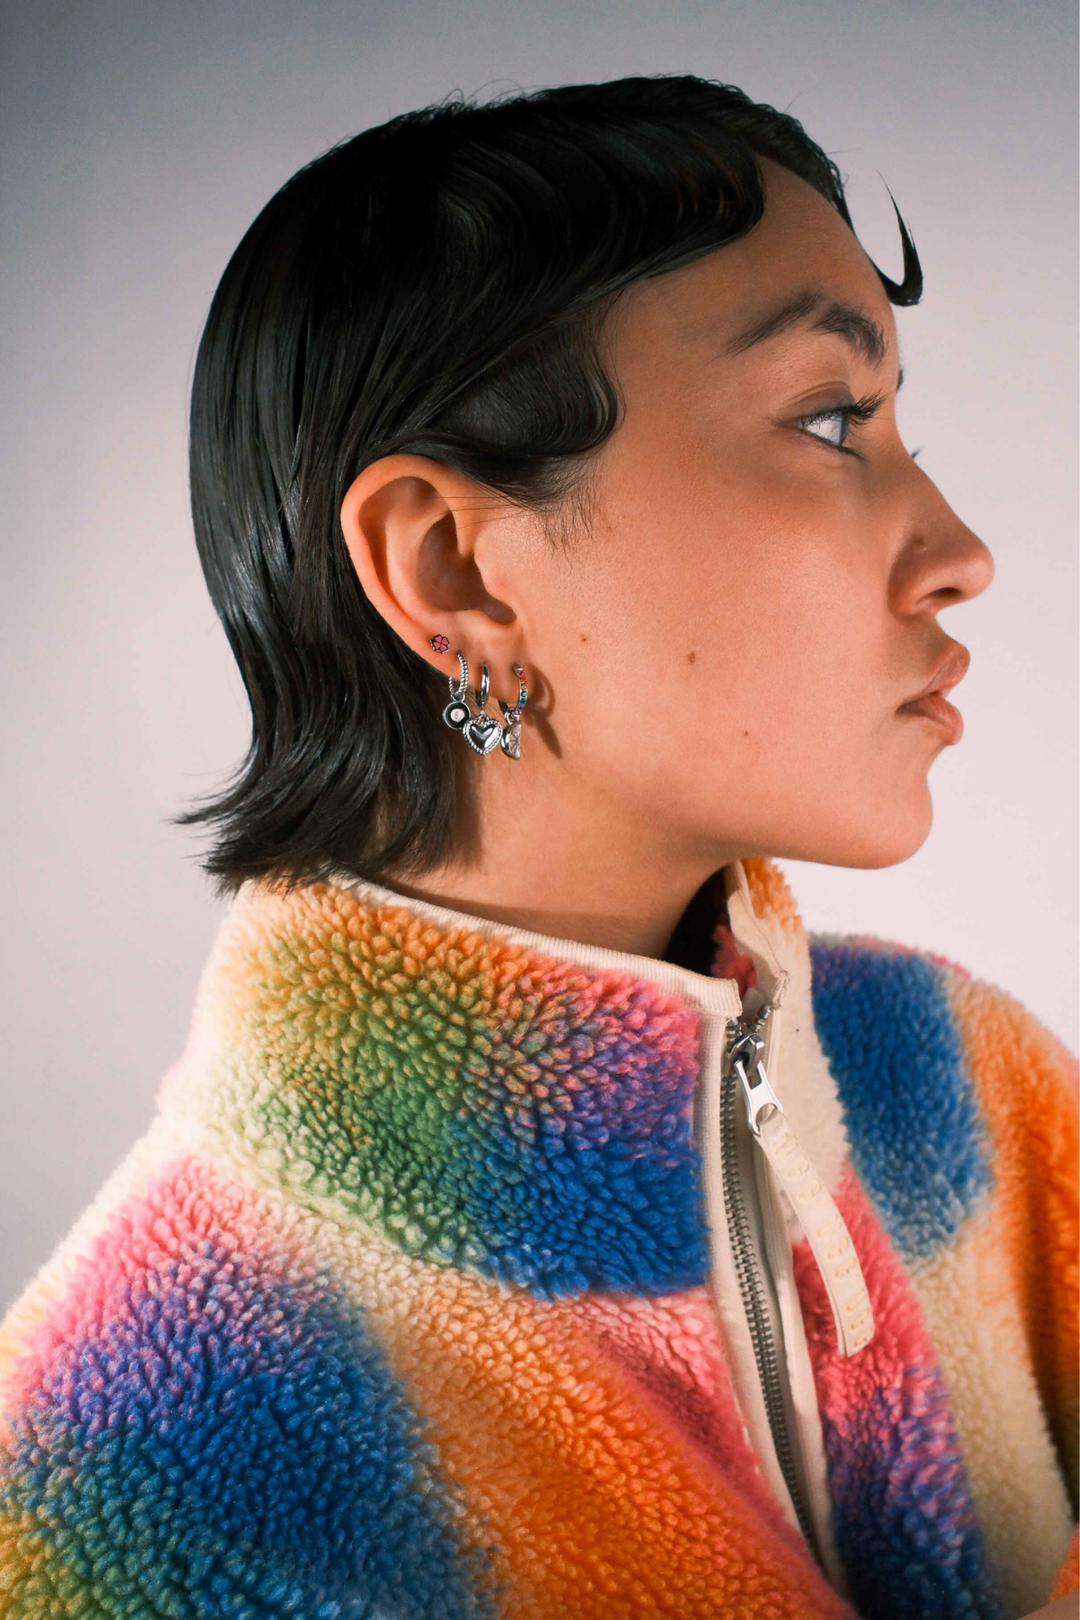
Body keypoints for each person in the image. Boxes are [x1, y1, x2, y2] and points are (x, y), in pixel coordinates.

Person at [0, 74, 1075, 1620]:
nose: (960, 553)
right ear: (450, 563)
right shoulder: (123, 1459)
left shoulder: (956, 1082)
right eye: (834, 420)